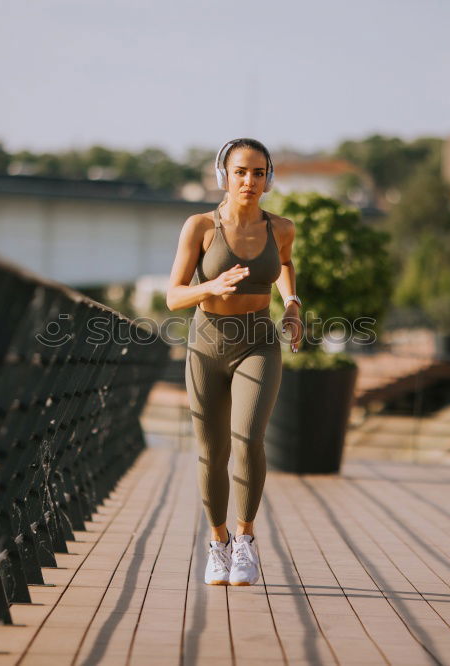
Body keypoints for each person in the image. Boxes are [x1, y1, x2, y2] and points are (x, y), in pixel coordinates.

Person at [166, 138, 302, 585]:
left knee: (248, 440)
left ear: (269, 177)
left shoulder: (281, 227)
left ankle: (245, 540)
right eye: (241, 171)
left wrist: (293, 303)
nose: (250, 181)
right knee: (212, 453)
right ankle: (218, 542)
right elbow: (173, 296)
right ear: (223, 174)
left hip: (258, 341)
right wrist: (211, 287)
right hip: (206, 344)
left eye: (259, 172)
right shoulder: (201, 226)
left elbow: (283, 263)